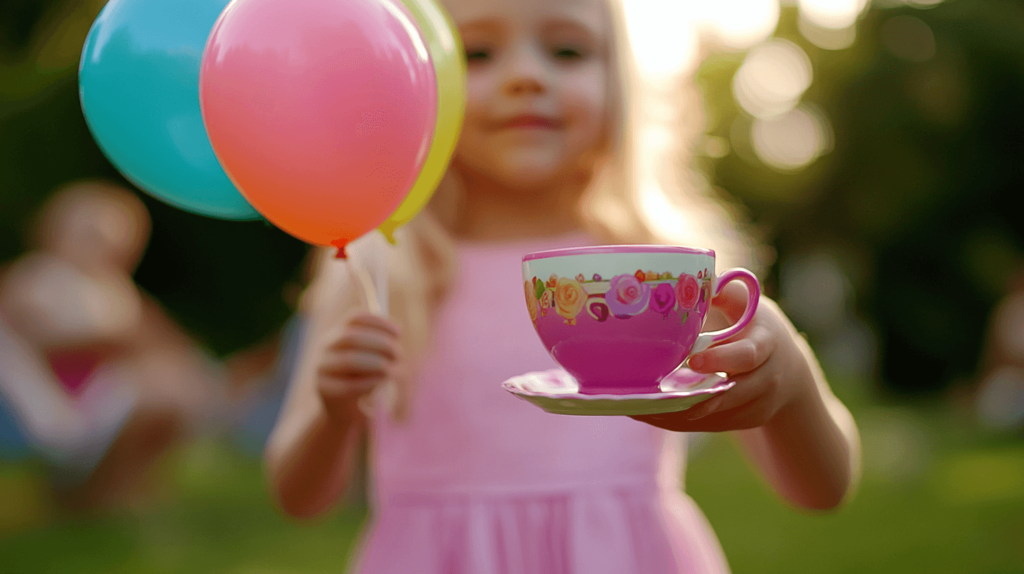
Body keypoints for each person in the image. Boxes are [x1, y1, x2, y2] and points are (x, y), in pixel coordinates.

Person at [265, 0, 862, 571]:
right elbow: (299, 498)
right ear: (418, 81)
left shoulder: (666, 274)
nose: (525, 75)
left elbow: (822, 489)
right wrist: (332, 411)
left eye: (568, 51)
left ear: (621, 79)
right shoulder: (382, 268)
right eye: (476, 54)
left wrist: (794, 381)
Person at [0, 181, 231, 510]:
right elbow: (43, 334)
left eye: (114, 241)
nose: (100, 249)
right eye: (89, 235)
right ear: (52, 230)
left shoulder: (113, 290)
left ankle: (116, 492)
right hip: (52, 404)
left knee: (176, 389)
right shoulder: (39, 276)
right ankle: (91, 498)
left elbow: (154, 337)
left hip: (94, 397)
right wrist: (116, 342)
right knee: (162, 396)